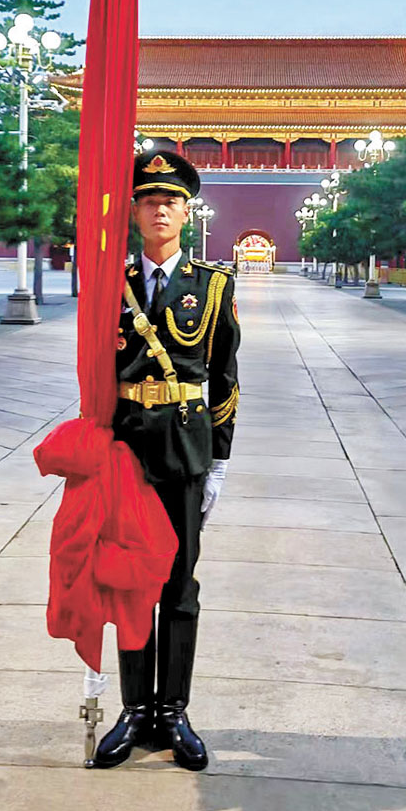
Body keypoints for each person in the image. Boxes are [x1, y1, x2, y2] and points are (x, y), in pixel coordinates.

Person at [93, 149, 240, 771]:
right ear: (134, 209)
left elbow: (226, 376)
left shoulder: (213, 286)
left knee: (179, 585)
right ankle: (134, 711)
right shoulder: (110, 282)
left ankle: (174, 711)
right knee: (130, 582)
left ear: (187, 211)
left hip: (184, 450)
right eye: (150, 200)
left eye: (172, 201)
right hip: (126, 451)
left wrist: (221, 460)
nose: (160, 209)